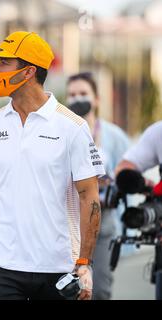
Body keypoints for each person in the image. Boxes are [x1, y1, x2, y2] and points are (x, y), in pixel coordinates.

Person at [0, 31, 105, 300]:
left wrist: (84, 263)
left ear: (28, 72)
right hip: (0, 266)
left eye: (2, 63)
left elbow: (89, 196)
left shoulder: (73, 127)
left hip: (57, 267)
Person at [66, 72, 130, 300]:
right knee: (70, 291)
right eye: (72, 95)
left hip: (103, 224)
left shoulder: (113, 135)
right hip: (69, 226)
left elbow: (130, 172)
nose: (77, 99)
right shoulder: (62, 133)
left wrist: (112, 182)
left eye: (83, 93)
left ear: (97, 99)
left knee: (100, 291)